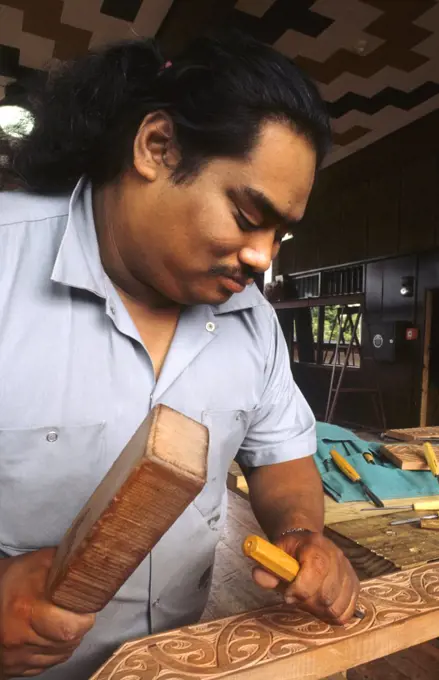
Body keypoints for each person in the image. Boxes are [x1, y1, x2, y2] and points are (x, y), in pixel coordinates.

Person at [0, 32, 359, 679]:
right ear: (156, 147)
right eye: (248, 213)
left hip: (180, 661)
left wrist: (303, 535)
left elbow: (283, 459)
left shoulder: (252, 320)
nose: (262, 258)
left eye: (279, 233)